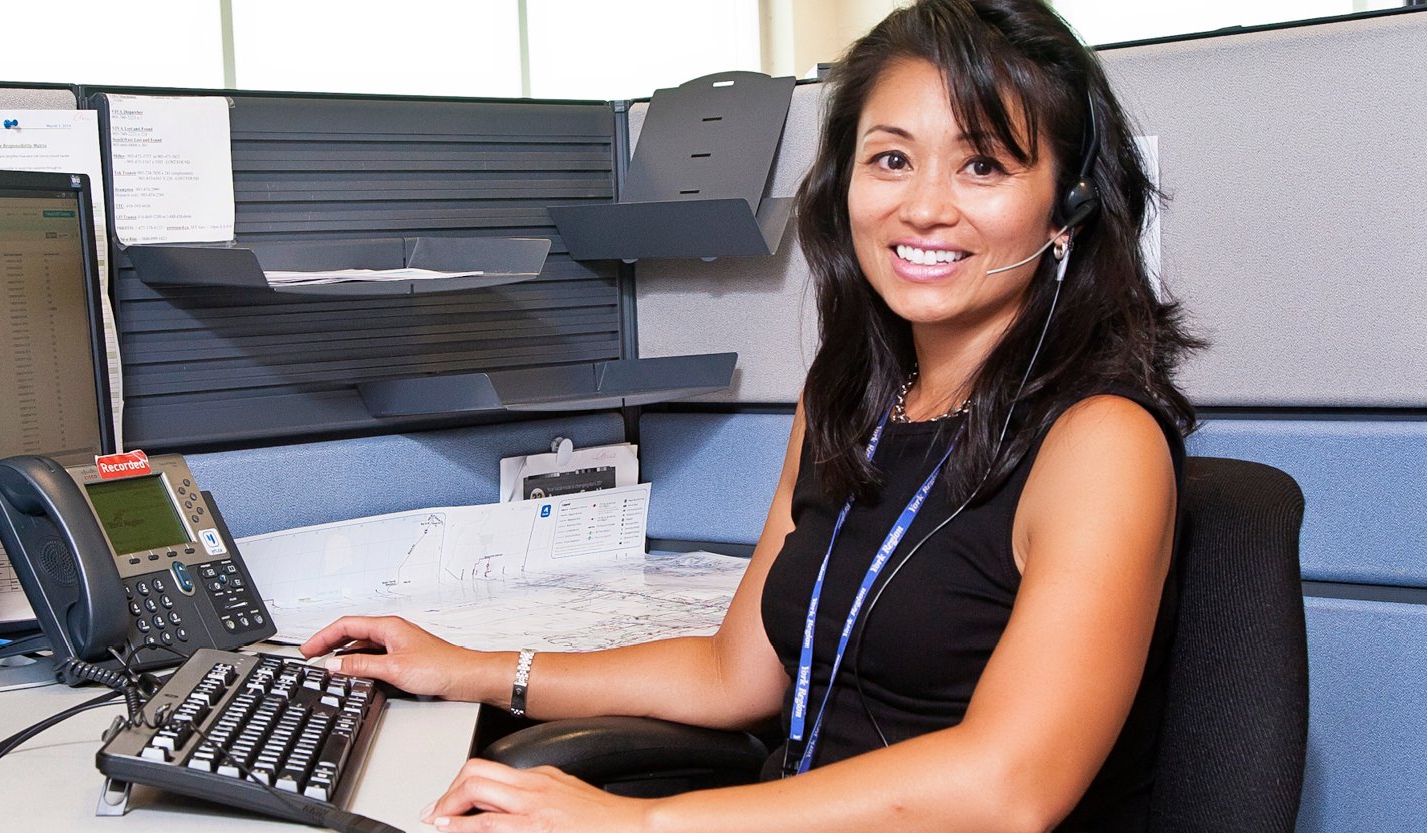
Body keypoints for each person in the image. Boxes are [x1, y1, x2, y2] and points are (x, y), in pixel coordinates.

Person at [300, 1, 1200, 830]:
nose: (923, 205)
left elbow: (1008, 785)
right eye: (890, 158)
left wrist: (642, 823)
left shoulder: (1098, 441)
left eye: (982, 165)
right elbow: (735, 674)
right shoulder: (848, 402)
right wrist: (469, 668)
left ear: (1067, 212)